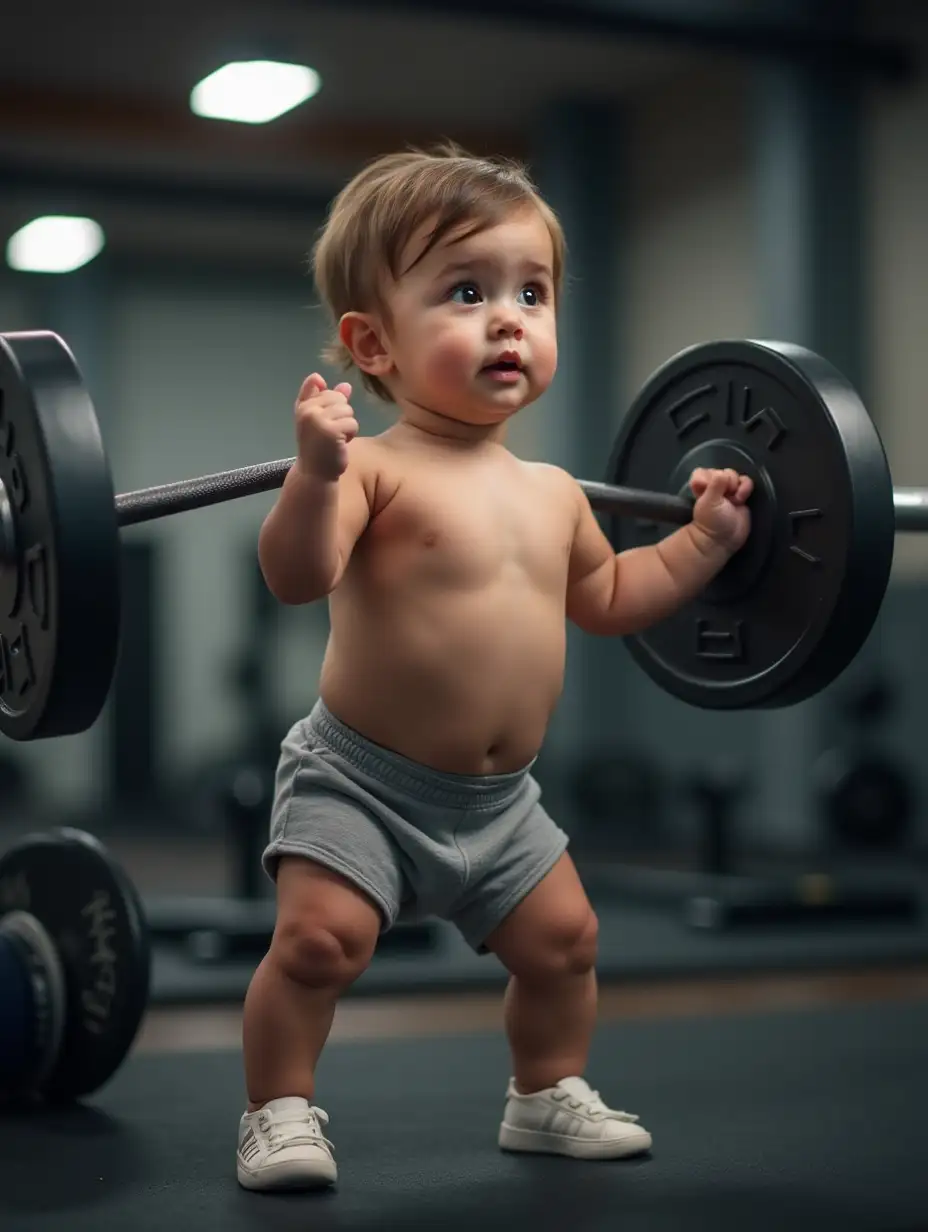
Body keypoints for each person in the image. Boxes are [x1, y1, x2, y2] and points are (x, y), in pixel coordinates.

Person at [236, 145, 753, 1192]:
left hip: (499, 801)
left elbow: (608, 600)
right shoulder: (372, 468)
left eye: (531, 291)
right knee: (319, 944)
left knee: (565, 940)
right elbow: (297, 575)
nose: (508, 316)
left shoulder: (556, 489)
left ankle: (542, 1094)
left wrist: (703, 543)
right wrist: (311, 473)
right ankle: (277, 1108)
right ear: (370, 342)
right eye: (466, 292)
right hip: (361, 781)